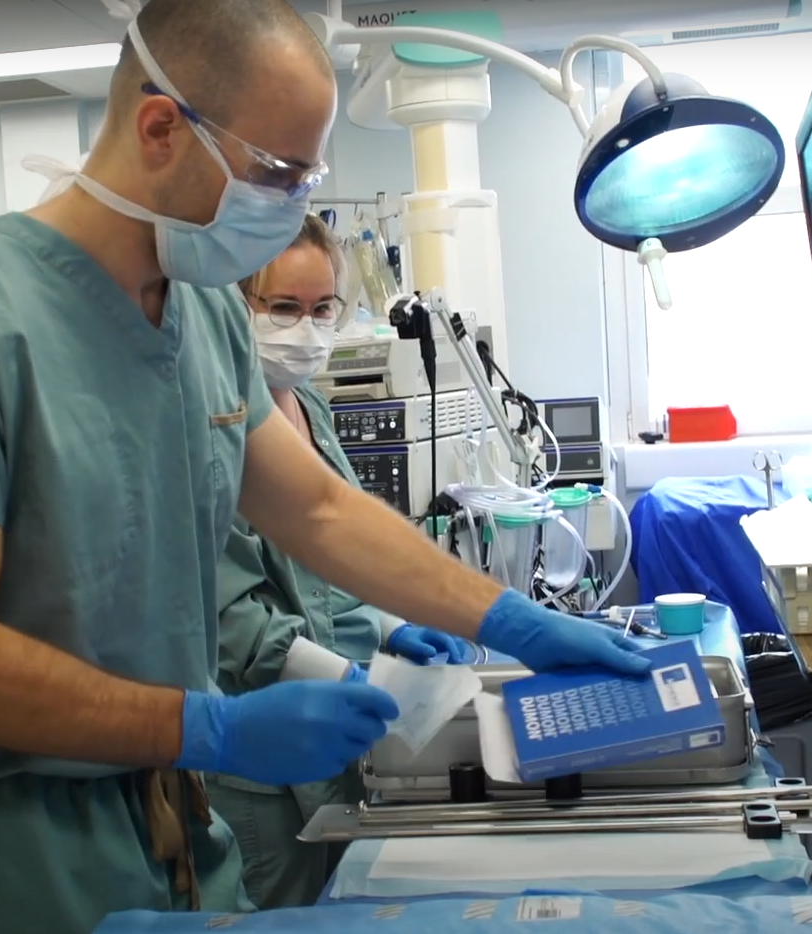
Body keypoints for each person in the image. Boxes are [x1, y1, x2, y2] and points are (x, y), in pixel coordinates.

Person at [0, 2, 648, 932]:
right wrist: (207, 728)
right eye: (276, 172)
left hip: (170, 814)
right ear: (159, 128)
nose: (293, 205)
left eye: (306, 176)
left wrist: (511, 621)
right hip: (8, 839)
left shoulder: (204, 314)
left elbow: (316, 511)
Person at [209, 215, 469, 908]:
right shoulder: (211, 422)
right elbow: (225, 614)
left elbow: (332, 557)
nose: (307, 328)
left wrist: (386, 626)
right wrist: (339, 673)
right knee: (280, 912)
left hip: (332, 733)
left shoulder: (309, 409)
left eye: (322, 308)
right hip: (258, 742)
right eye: (283, 308)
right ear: (234, 304)